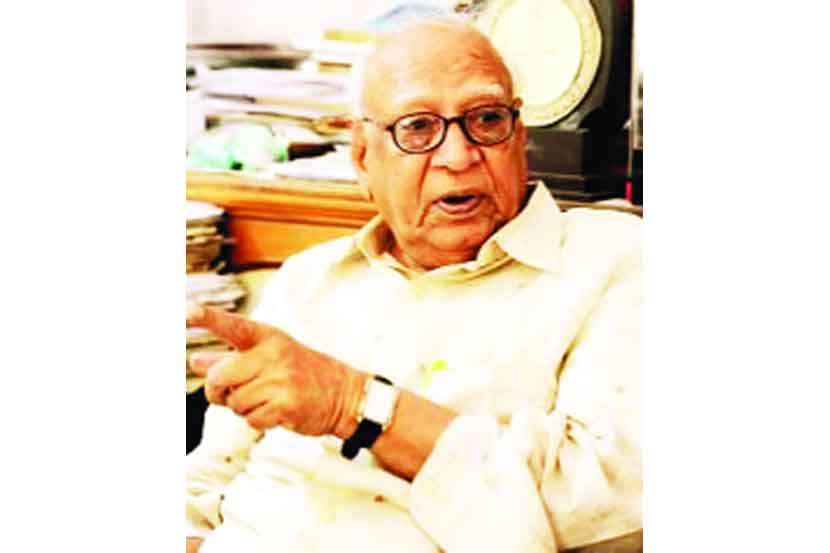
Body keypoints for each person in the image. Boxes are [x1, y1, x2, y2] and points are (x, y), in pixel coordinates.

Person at [186, 17, 642, 553]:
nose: (458, 156)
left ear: (520, 137)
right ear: (362, 157)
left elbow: (610, 504)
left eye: (487, 119)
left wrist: (354, 405)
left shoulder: (615, 262)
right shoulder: (308, 280)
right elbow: (206, 484)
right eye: (418, 128)